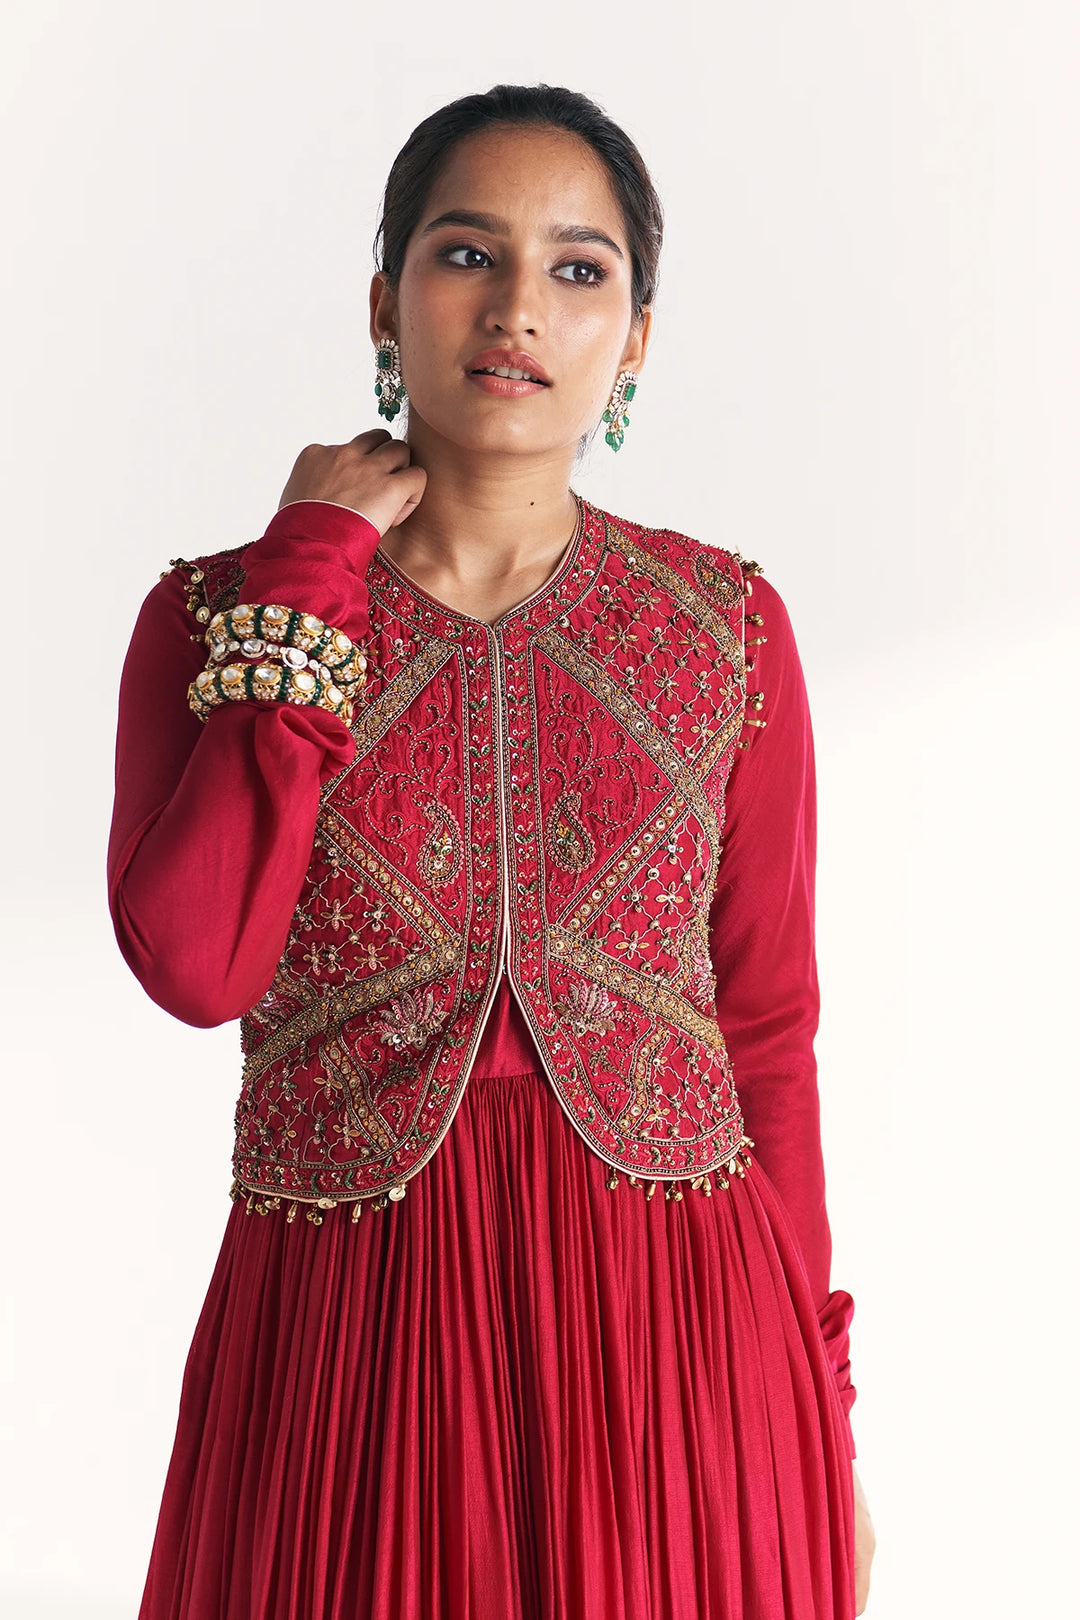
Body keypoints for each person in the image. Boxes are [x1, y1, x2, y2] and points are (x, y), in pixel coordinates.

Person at [108, 82, 876, 1620]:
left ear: (635, 339)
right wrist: (310, 572)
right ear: (384, 299)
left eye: (580, 269)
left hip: (683, 1353)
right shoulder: (220, 617)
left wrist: (823, 1403)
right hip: (352, 1351)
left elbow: (768, 1036)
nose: (519, 307)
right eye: (467, 253)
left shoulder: (724, 630)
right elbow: (198, 967)